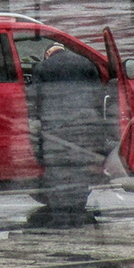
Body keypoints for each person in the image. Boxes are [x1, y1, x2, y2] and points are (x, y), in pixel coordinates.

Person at [28, 42, 107, 227]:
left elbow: (36, 97)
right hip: (83, 124)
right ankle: (79, 208)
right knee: (80, 167)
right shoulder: (86, 63)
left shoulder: (42, 67)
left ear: (48, 53)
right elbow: (98, 94)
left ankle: (61, 215)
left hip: (57, 126)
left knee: (58, 170)